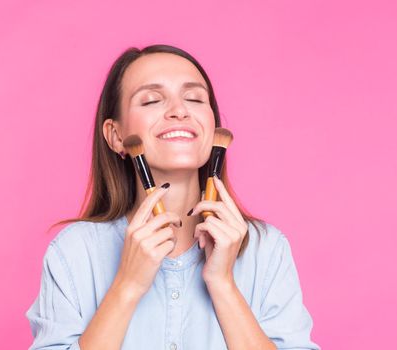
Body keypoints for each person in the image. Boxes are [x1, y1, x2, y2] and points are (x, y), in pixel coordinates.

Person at [25, 44, 320, 350]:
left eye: (194, 98)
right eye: (151, 100)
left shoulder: (266, 249)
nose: (179, 110)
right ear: (115, 136)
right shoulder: (74, 251)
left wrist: (223, 285)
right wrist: (127, 286)